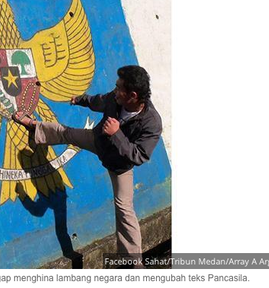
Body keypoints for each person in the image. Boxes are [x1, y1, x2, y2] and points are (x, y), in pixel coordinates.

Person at [12, 65, 162, 268]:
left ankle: (134, 265)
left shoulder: (151, 122)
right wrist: (80, 100)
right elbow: (99, 101)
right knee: (67, 133)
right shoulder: (115, 98)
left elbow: (139, 155)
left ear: (133, 95)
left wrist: (117, 133)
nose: (115, 91)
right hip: (98, 141)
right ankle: (33, 126)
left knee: (124, 208)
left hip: (120, 165)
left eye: (119, 89)